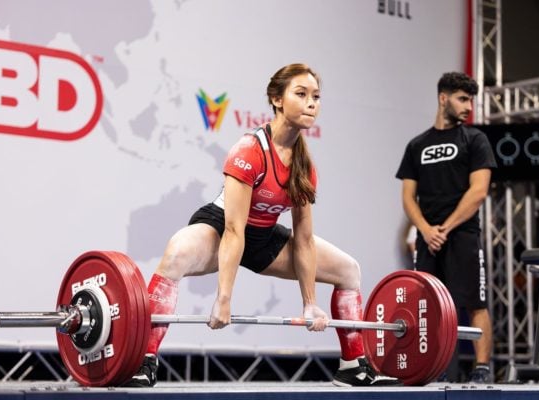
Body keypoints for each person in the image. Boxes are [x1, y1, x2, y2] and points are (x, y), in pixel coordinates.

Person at [125, 63, 400, 388]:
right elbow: (234, 230)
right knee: (176, 254)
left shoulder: (304, 166)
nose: (312, 103)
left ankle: (352, 366)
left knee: (349, 270)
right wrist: (224, 298)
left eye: (316, 96)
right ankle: (143, 359)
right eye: (301, 94)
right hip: (221, 227)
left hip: (264, 237)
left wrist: (309, 303)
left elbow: (304, 239)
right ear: (277, 99)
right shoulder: (250, 151)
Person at [395, 72, 496, 383]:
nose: (468, 107)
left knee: (474, 302)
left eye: (471, 100)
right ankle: (432, 367)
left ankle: (481, 368)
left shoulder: (475, 140)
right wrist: (426, 230)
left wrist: (445, 228)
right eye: (462, 99)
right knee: (426, 307)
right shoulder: (417, 145)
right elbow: (408, 197)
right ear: (443, 99)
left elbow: (478, 192)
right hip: (428, 239)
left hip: (462, 235)